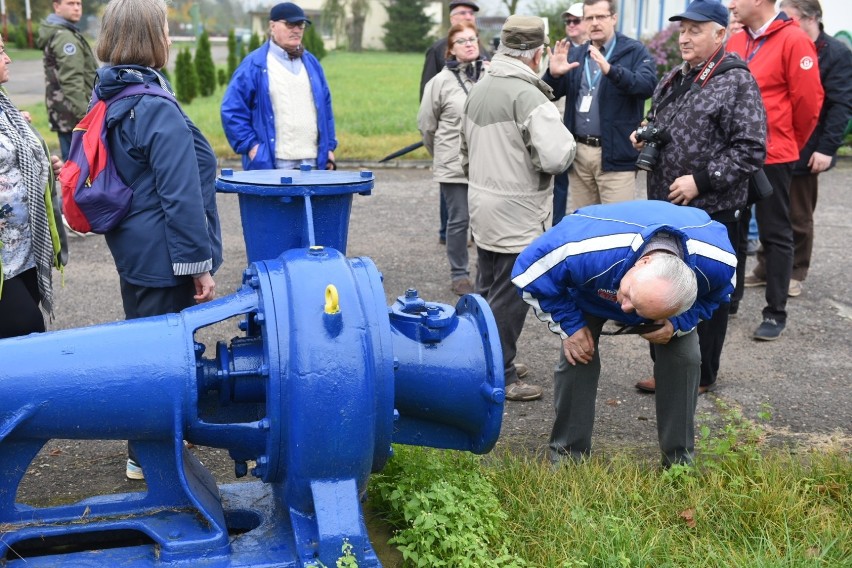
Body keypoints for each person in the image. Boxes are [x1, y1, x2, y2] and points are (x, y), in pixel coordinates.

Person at [95, 0, 223, 480]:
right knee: (159, 359)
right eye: (166, 29)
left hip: (134, 246)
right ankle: (146, 454)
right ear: (152, 38)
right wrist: (200, 266)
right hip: (165, 254)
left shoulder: (112, 92)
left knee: (148, 344)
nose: (171, 38)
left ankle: (158, 439)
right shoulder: (153, 105)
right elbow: (181, 196)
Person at [512, 201, 736, 466]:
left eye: (639, 309)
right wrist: (570, 326)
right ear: (643, 262)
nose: (627, 310)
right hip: (591, 289)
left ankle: (678, 465)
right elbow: (529, 274)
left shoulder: (717, 263)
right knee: (577, 355)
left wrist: (679, 323)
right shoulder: (582, 246)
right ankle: (568, 458)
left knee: (685, 358)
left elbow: (718, 296)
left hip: (660, 301)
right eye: (629, 296)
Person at [629, 0, 766, 396]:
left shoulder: (736, 79)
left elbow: (751, 148)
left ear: (720, 33)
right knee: (665, 288)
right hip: (666, 208)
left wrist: (700, 181)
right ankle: (668, 367)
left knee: (706, 290)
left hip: (713, 209)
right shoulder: (674, 76)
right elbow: (656, 121)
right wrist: (644, 132)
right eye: (683, 30)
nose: (685, 38)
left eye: (695, 30)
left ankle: (701, 375)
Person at [460, 15, 576, 402]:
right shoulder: (528, 95)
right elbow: (557, 157)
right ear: (536, 53)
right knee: (511, 298)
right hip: (518, 210)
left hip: (482, 202)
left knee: (486, 287)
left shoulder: (480, 87)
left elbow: (464, 152)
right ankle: (502, 373)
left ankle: (479, 358)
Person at [726, 0, 823, 340]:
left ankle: (775, 312)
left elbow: (809, 103)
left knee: (775, 232)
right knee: (733, 229)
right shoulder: (737, 40)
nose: (730, 4)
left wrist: (787, 141)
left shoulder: (794, 40)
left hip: (774, 155)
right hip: (736, 154)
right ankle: (731, 298)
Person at [748, 0, 852, 298]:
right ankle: (766, 268)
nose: (782, 20)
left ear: (810, 18)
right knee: (771, 211)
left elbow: (840, 106)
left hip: (810, 146)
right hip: (779, 142)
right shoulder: (782, 42)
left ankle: (796, 270)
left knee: (798, 213)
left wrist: (827, 148)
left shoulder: (837, 53)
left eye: (789, 16)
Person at [544, 0, 656, 212]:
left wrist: (611, 71)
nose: (594, 23)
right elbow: (551, 93)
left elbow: (647, 86)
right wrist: (553, 75)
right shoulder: (576, 55)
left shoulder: (633, 51)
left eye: (600, 17)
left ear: (613, 18)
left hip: (615, 156)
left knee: (617, 226)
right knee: (586, 226)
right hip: (580, 155)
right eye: (589, 18)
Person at [0, 39, 67, 339]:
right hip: (4, 261)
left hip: (25, 251)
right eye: (0, 51)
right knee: (27, 328)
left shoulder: (6, 107)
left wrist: (44, 167)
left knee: (18, 340)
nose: (9, 58)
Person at [222, 2, 337, 172]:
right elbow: (232, 110)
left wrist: (329, 148)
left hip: (313, 162)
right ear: (272, 26)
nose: (297, 30)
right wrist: (253, 148)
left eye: (300, 25)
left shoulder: (312, 63)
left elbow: (325, 108)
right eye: (290, 24)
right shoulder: (254, 65)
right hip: (274, 163)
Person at [418, 22, 487, 296]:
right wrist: (443, 157)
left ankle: (487, 274)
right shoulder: (439, 83)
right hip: (453, 165)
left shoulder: (493, 76)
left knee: (486, 220)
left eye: (473, 39)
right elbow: (426, 126)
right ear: (451, 50)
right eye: (462, 41)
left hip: (488, 164)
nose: (469, 44)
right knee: (459, 221)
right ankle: (459, 274)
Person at [36, 0, 98, 161]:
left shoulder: (63, 32)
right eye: (71, 3)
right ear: (57, 6)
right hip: (73, 116)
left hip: (67, 113)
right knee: (78, 170)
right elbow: (71, 81)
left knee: (75, 168)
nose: (77, 8)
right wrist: (86, 116)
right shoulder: (65, 37)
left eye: (79, 4)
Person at [552, 2, 588, 226]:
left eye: (577, 20)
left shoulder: (600, 53)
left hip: (585, 134)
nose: (571, 25)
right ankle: (555, 228)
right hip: (561, 130)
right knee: (559, 184)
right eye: (568, 21)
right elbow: (549, 91)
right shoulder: (561, 52)